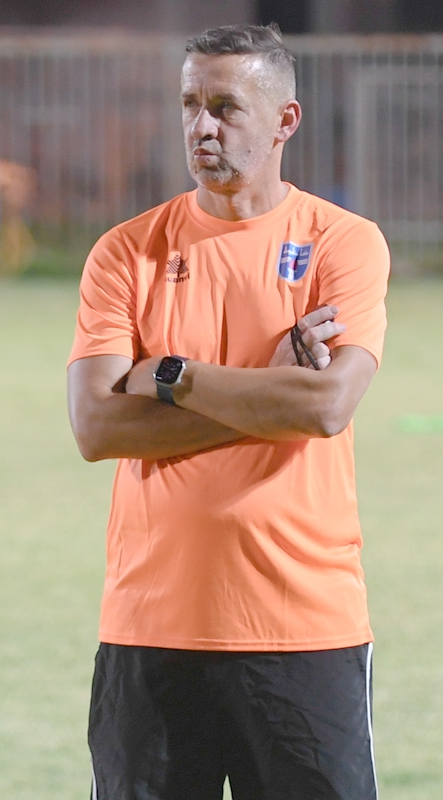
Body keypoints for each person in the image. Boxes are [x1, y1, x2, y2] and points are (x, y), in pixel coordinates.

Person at [66, 24, 388, 800]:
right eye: (190, 105)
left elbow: (327, 405)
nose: (202, 127)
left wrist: (170, 376)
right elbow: (96, 428)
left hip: (303, 628)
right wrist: (266, 388)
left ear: (284, 121)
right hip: (152, 626)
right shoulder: (126, 252)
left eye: (226, 107)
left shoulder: (342, 244)